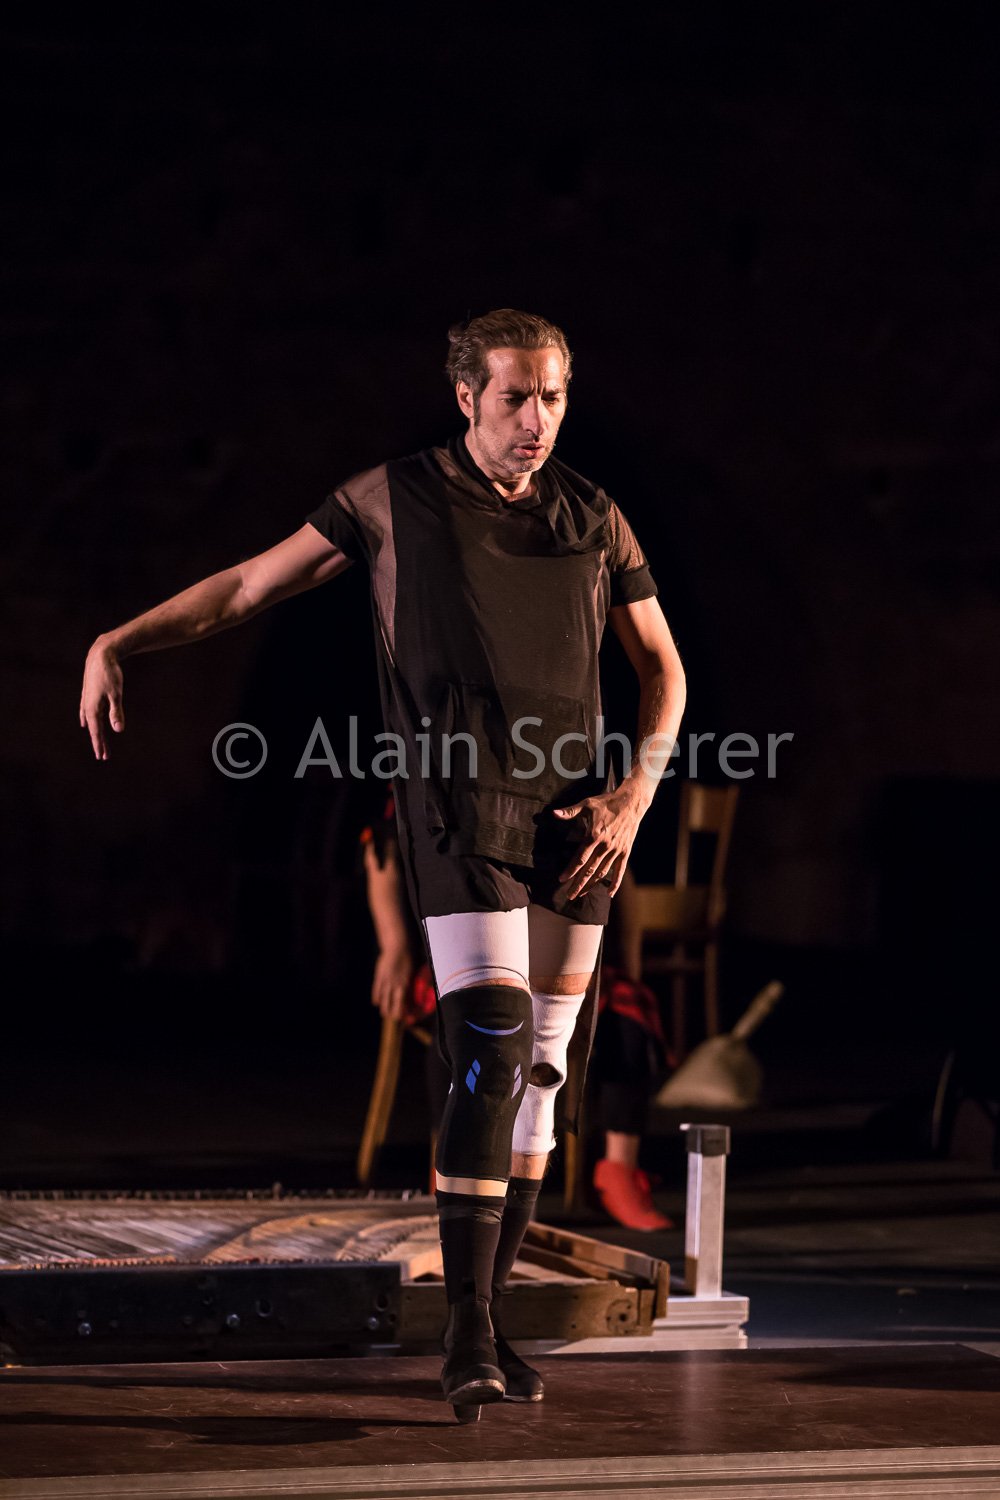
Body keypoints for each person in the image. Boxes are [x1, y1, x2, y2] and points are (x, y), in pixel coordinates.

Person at [79, 308, 686, 1419]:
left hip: (580, 818)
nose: (537, 420)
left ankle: (494, 1320)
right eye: (515, 397)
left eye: (553, 397)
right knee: (491, 1047)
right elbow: (248, 586)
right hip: (460, 807)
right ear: (466, 396)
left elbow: (663, 669)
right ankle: (463, 1333)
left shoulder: (592, 514)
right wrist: (119, 639)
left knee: (545, 1072)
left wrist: (634, 796)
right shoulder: (391, 499)